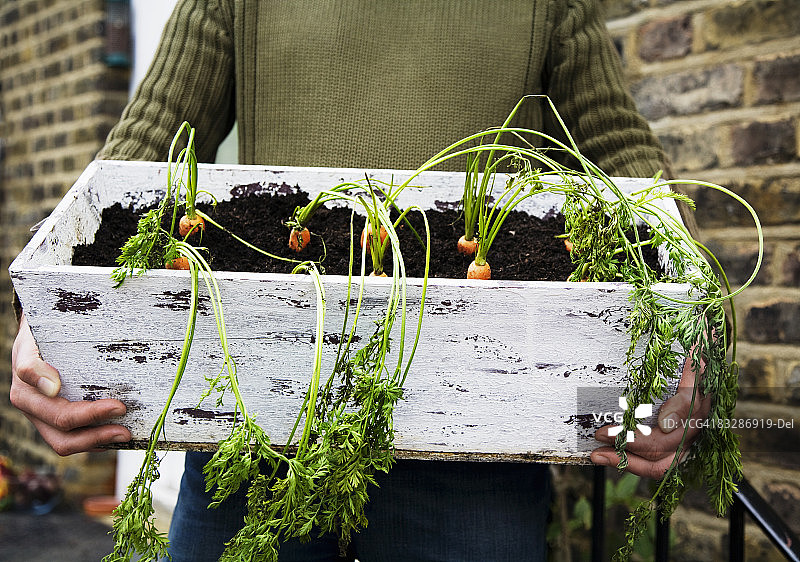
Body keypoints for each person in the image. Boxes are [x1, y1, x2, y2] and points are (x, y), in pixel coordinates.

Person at [10, 1, 711, 560]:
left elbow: (623, 157)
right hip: (256, 416)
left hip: (477, 434)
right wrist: (51, 319)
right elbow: (145, 148)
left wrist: (687, 340)